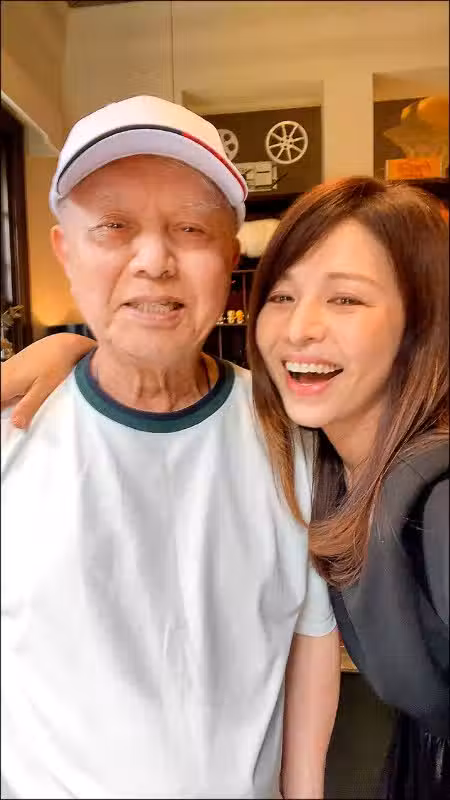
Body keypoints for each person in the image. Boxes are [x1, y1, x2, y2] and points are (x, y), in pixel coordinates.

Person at [1, 95, 339, 800]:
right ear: (66, 251)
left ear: (230, 256)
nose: (153, 261)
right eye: (113, 227)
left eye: (190, 228)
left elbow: (311, 636)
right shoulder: (14, 426)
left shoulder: (297, 437)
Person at [247, 176, 449, 799]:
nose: (299, 328)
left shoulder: (440, 503)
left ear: (422, 322)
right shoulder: (329, 463)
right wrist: (70, 355)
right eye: (282, 295)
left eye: (346, 299)